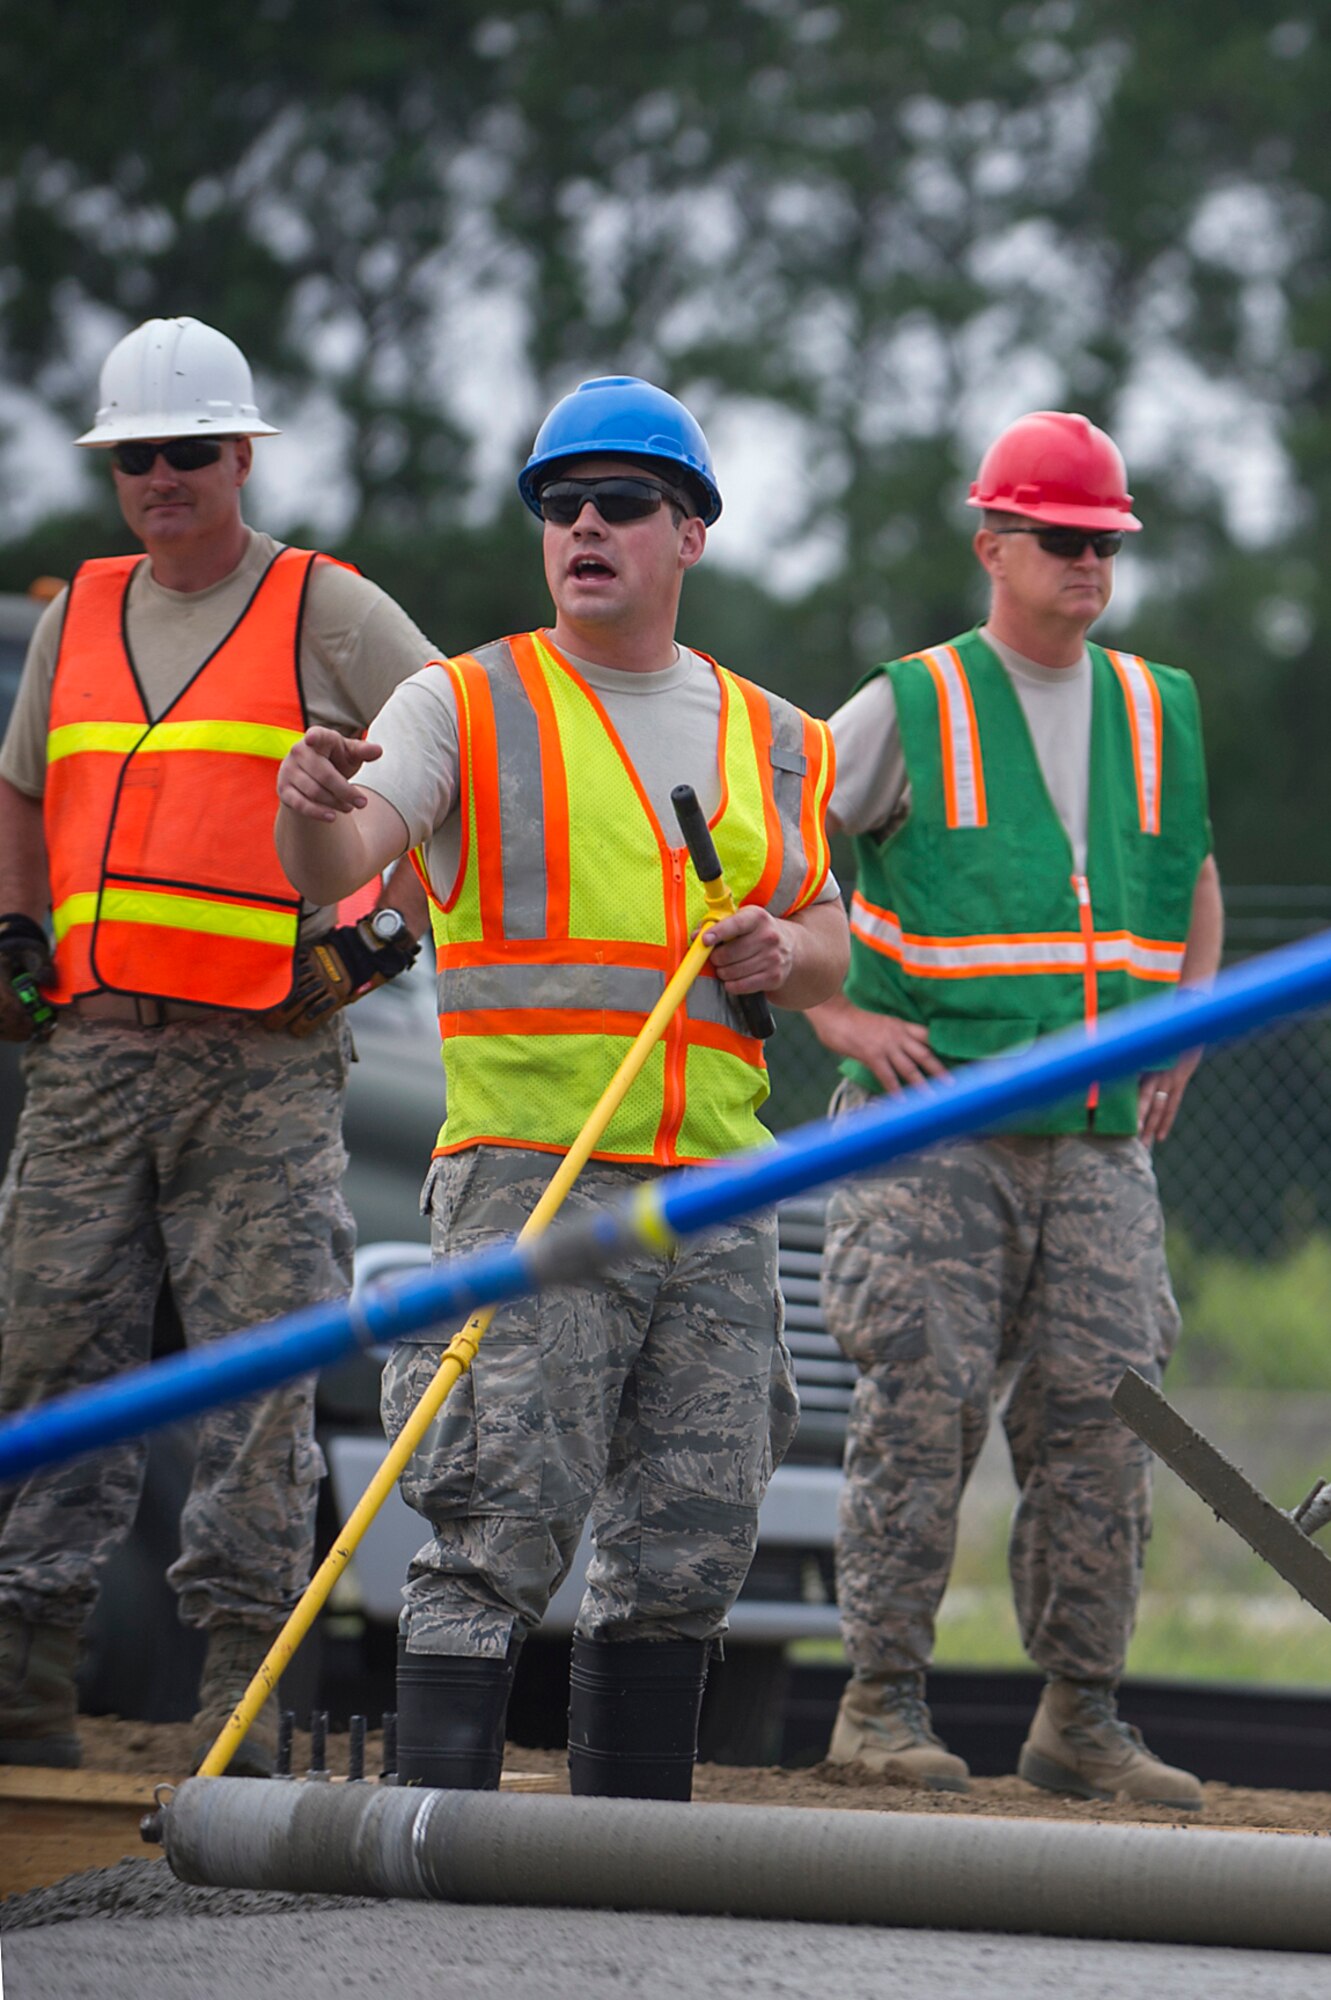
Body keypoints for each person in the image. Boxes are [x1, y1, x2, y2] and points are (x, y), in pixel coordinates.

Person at [276, 375, 848, 1799]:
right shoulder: (462, 702)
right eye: (559, 503)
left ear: (690, 532)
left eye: (621, 503)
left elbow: (835, 940)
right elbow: (347, 863)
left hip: (717, 1185)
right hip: (534, 1171)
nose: (584, 526)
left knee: (695, 1528)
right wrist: (310, 814)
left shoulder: (779, 738)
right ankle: (431, 1845)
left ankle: (624, 1857)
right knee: (494, 1509)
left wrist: (790, 945)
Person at [0, 315, 439, 1775]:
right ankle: (24, 1681)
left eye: (190, 451)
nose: (162, 477)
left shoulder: (328, 608)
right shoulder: (78, 615)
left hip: (259, 1064)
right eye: (137, 456)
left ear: (242, 454)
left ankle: (240, 1704)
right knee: (54, 1360)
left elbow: (467, 754)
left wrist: (383, 935)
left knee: (258, 1379)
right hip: (90, 1057)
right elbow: (20, 791)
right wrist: (18, 936)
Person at [807, 411, 1223, 1810]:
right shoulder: (909, 703)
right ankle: (878, 1704)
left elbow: (1192, 879)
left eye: (1107, 540)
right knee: (919, 1414)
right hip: (934, 1137)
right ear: (993, 544)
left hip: (1101, 1139)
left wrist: (1193, 1024)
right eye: (1062, 538)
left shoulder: (1158, 705)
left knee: (1109, 1417)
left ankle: (1080, 1718)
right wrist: (841, 1017)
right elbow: (776, 868)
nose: (1089, 561)